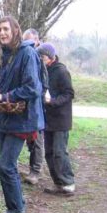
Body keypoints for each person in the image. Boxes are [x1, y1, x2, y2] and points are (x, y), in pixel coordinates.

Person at [0, 16, 44, 213]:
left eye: (5, 29)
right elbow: (7, 81)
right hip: (6, 119)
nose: (2, 33)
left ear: (15, 30)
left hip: (21, 120)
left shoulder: (26, 53)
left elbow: (32, 88)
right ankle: (16, 207)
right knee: (6, 166)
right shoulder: (8, 54)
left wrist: (4, 97)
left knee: (6, 165)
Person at [37, 43, 76, 195]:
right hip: (47, 119)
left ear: (51, 57)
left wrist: (52, 101)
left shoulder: (61, 71)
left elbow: (69, 94)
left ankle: (68, 183)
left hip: (61, 119)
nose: (40, 60)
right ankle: (58, 183)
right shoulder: (43, 71)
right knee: (49, 153)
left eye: (43, 57)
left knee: (60, 152)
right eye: (39, 57)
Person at [21, 28, 48, 185]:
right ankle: (33, 168)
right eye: (25, 41)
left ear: (37, 41)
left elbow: (44, 83)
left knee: (36, 139)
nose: (28, 44)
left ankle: (36, 172)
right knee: (30, 139)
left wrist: (36, 99)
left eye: (30, 41)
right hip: (26, 105)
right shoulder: (27, 55)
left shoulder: (38, 58)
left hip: (36, 106)